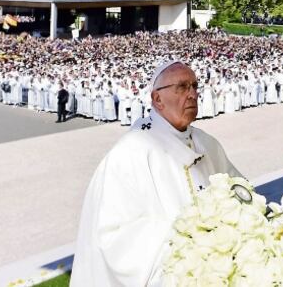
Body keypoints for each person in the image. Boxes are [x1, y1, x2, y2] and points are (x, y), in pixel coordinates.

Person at [70, 61, 242, 286]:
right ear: (157, 99)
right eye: (181, 87)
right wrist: (194, 237)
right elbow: (114, 236)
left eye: (194, 86)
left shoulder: (207, 144)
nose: (191, 94)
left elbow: (238, 188)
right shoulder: (129, 154)